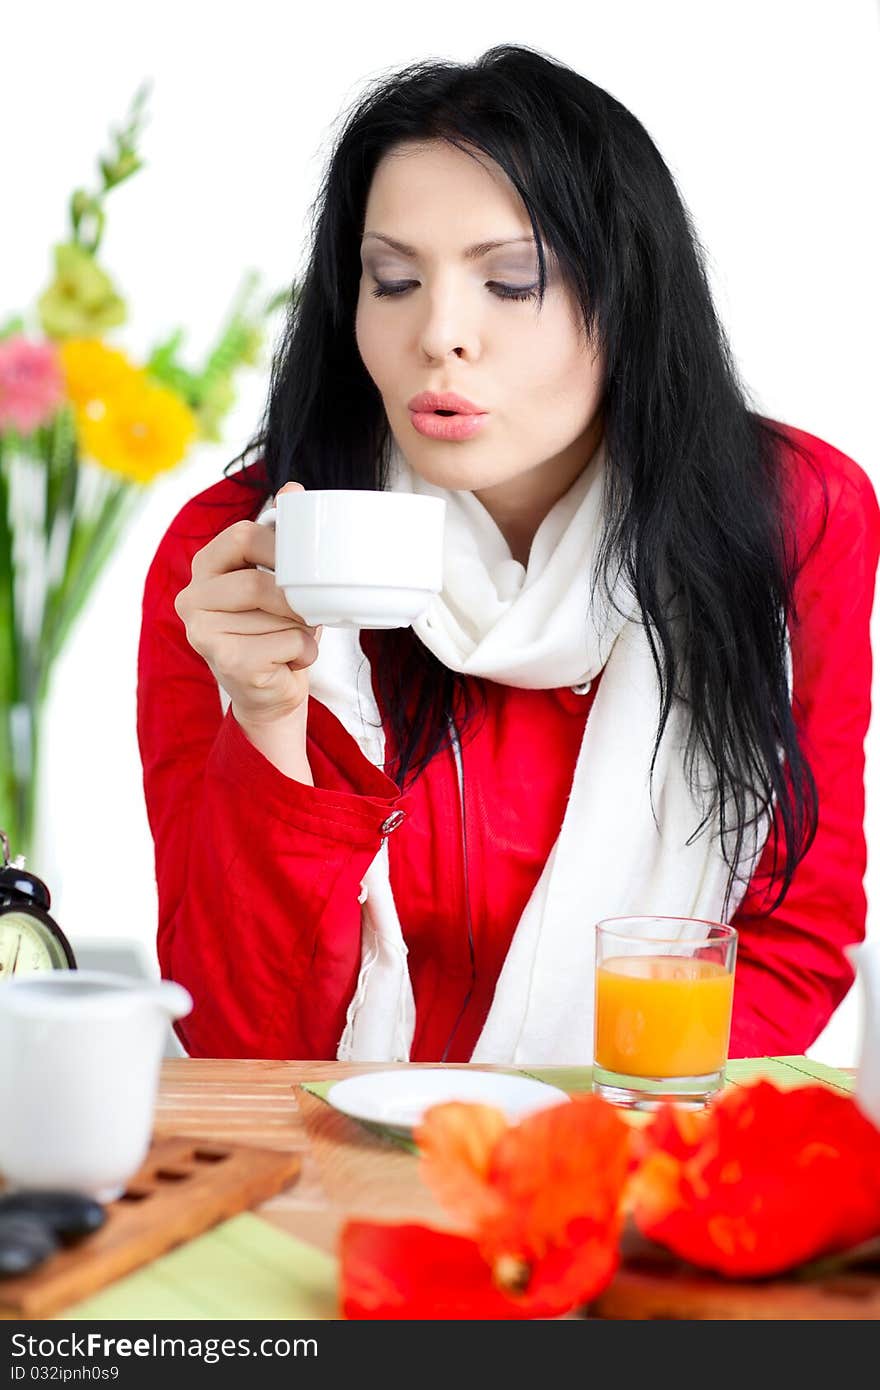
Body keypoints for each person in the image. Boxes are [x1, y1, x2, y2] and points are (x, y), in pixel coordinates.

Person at [137, 44, 880, 1063]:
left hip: (627, 1152)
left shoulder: (794, 514)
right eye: (391, 280)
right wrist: (267, 725)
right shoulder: (239, 554)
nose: (440, 332)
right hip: (343, 1167)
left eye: (511, 280)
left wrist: (562, 1146)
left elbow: (795, 937)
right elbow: (239, 1042)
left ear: (628, 297)